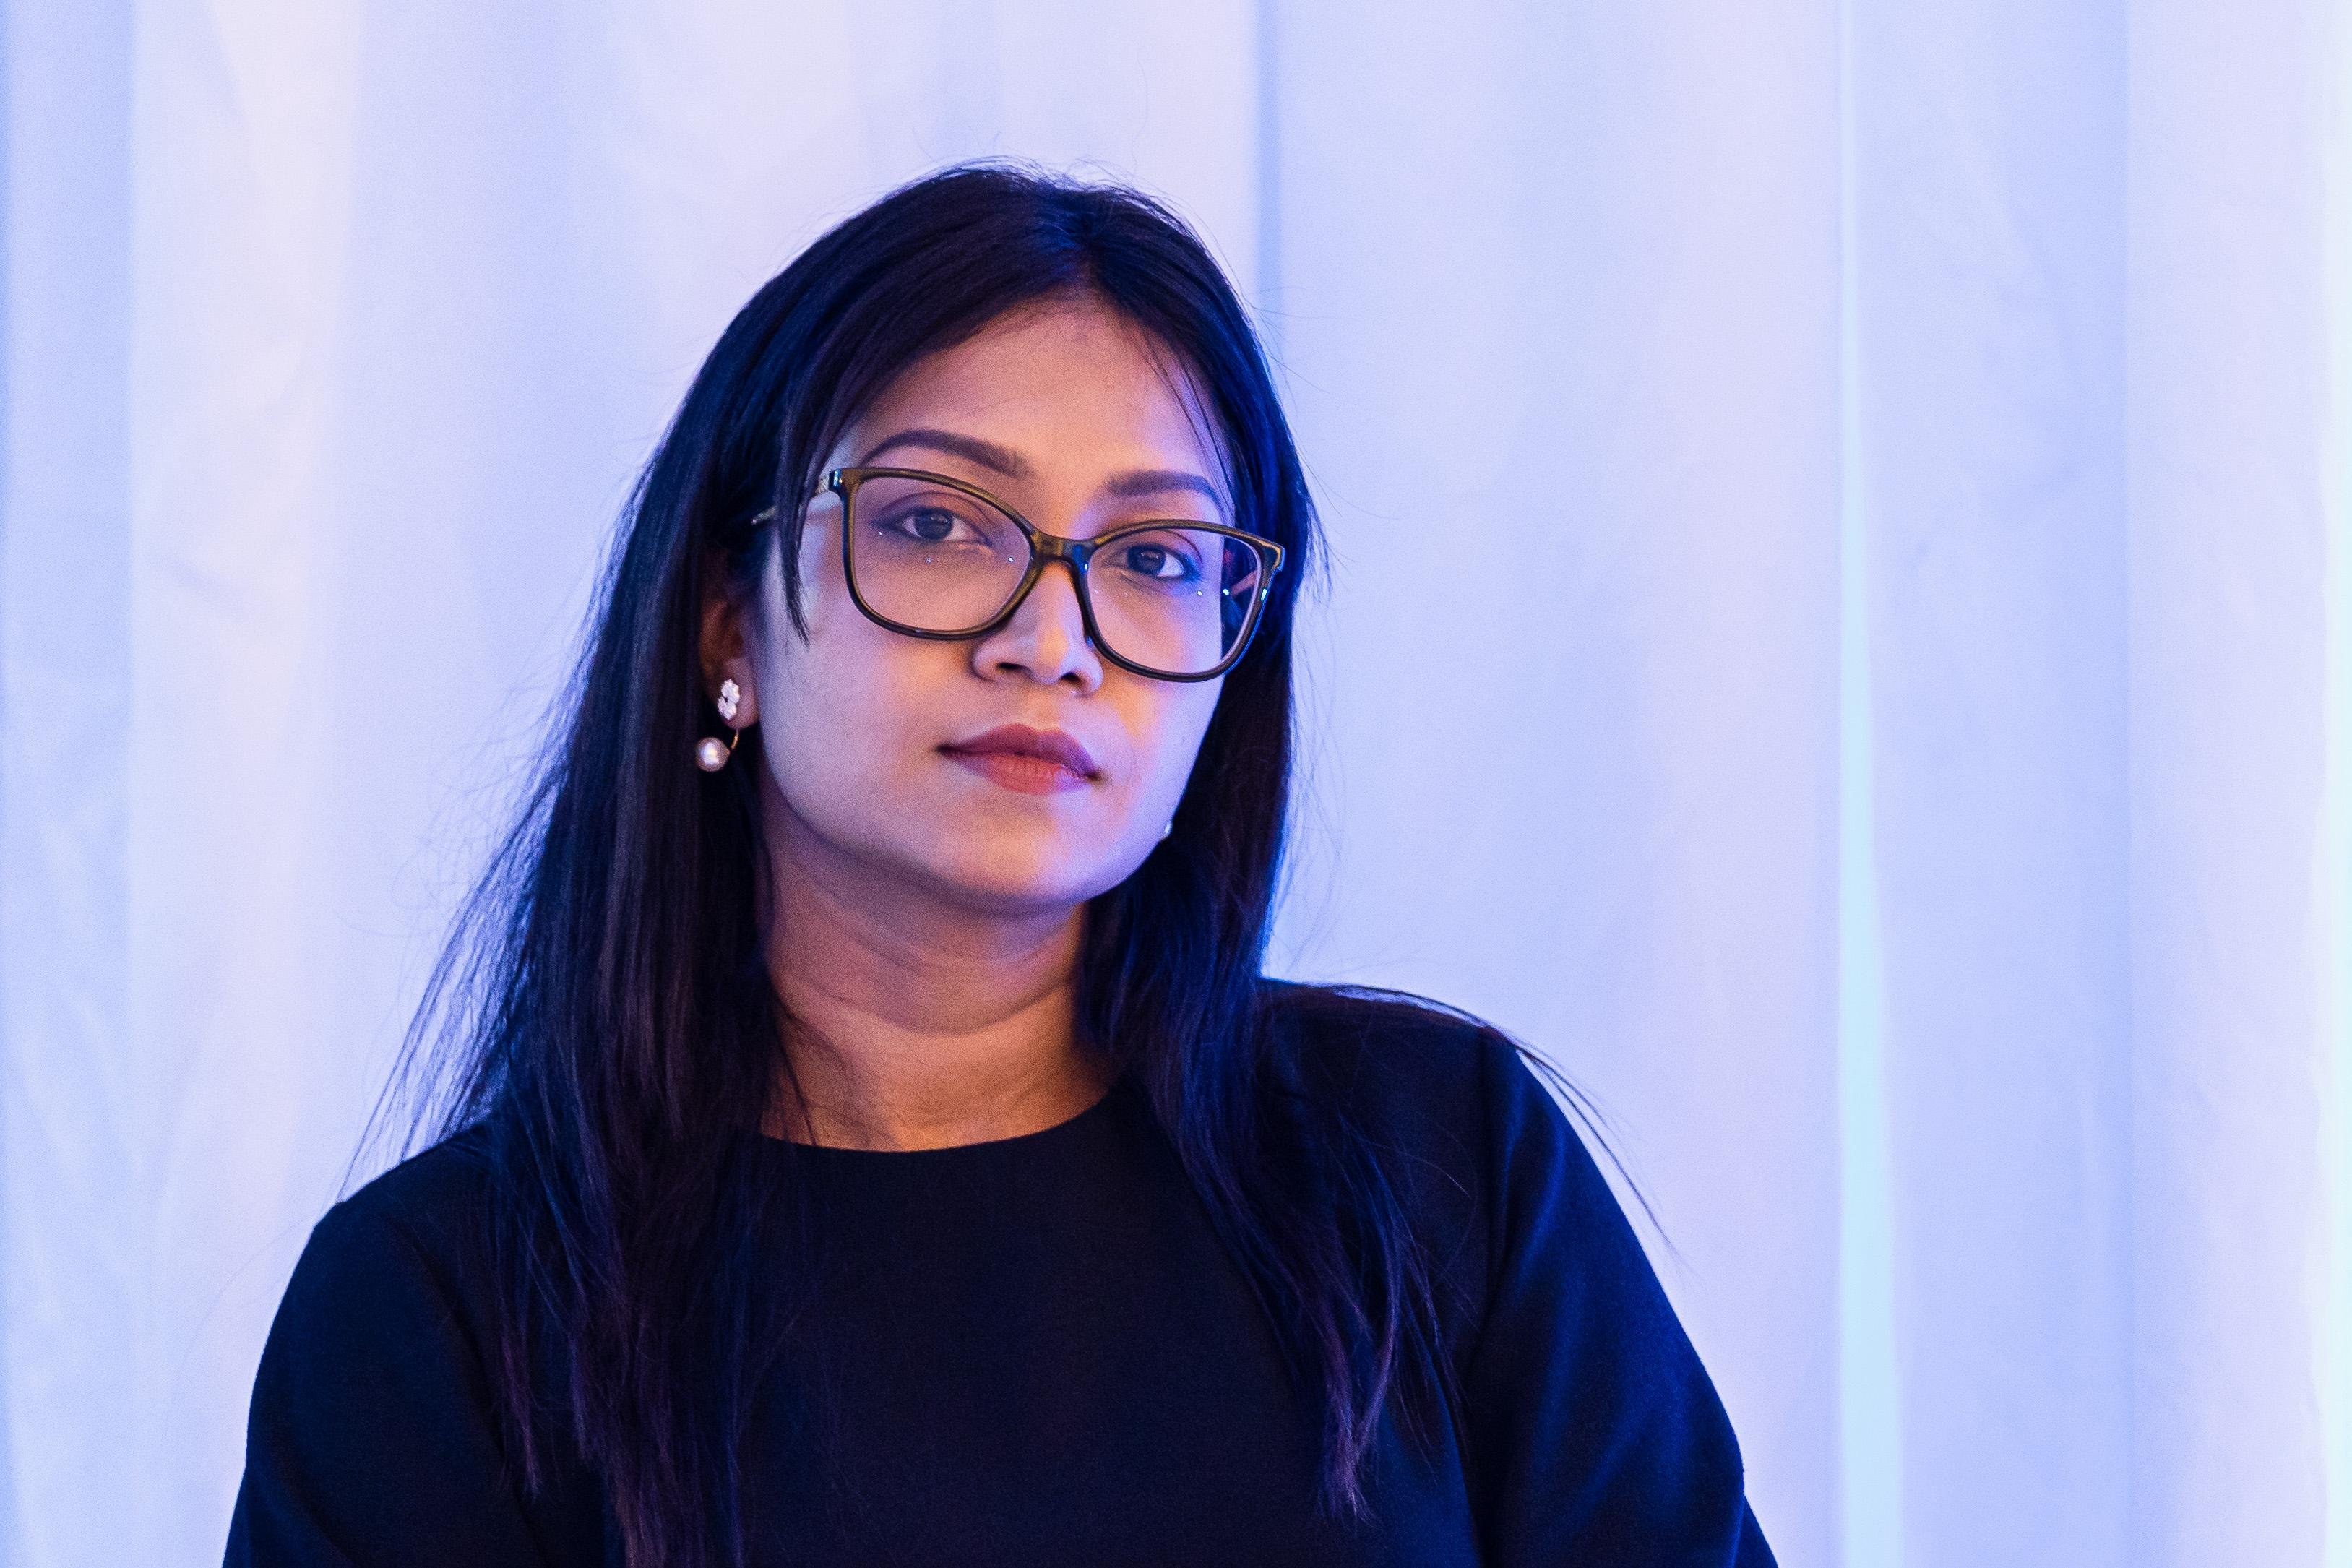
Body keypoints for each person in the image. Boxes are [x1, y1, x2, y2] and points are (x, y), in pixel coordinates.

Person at [223, 162, 1775, 1567]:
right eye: (935, 524)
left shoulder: (1440, 1163)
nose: (1052, 639)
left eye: (1154, 556)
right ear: (724, 623)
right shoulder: (442, 1306)